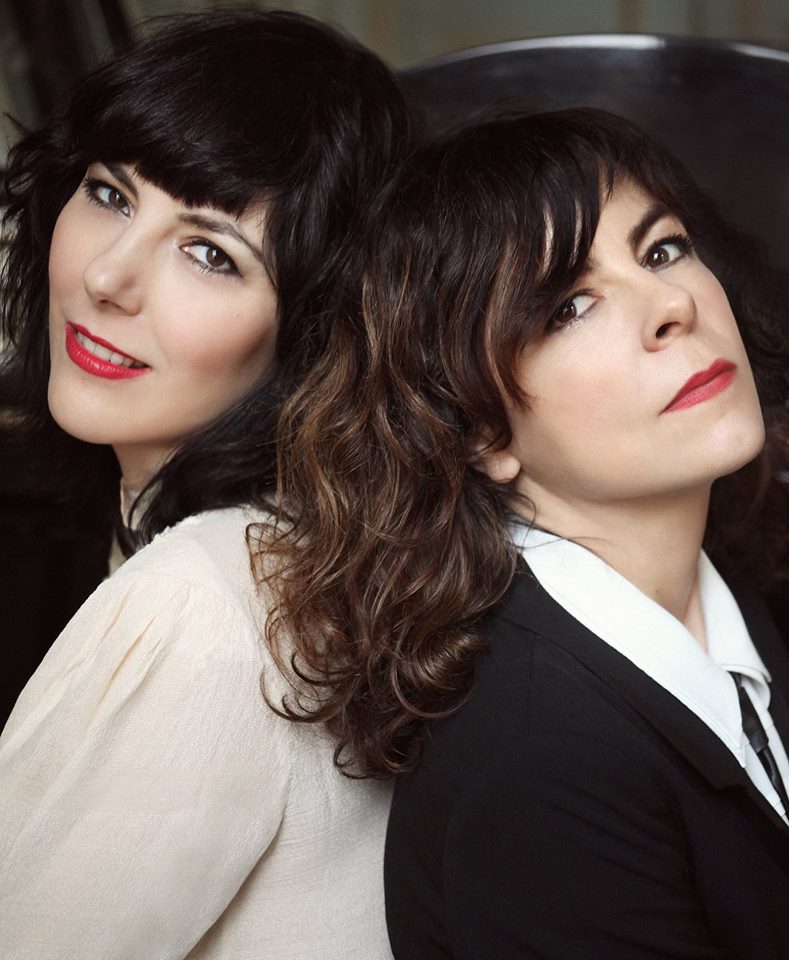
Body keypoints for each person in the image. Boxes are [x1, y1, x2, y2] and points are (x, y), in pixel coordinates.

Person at [310, 108, 789, 956]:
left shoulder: (729, 592)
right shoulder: (538, 764)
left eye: (661, 250)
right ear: (477, 430)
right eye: (568, 306)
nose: (672, 303)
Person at [0, 10, 409, 958]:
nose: (108, 277)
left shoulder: (192, 611)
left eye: (211, 252)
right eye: (109, 194)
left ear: (313, 331)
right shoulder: (299, 557)